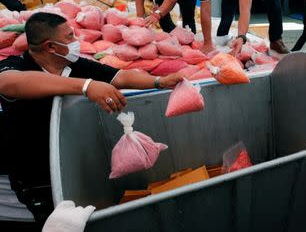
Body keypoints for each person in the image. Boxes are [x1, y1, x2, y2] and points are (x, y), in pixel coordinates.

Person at [0, 12, 184, 230]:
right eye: (69, 37)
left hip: (76, 166)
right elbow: (8, 82)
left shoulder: (75, 64)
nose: (76, 40)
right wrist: (86, 87)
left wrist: (159, 81)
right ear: (51, 47)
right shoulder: (17, 66)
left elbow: (121, 77)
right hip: (36, 178)